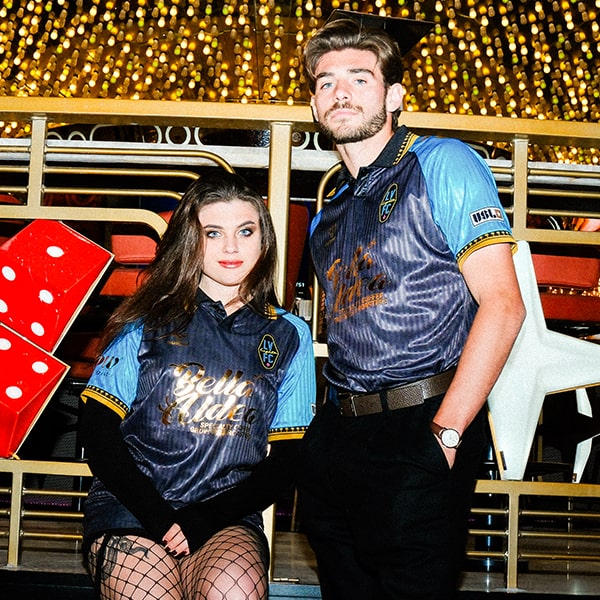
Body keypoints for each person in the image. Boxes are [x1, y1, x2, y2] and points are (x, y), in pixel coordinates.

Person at [298, 12, 526, 600]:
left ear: (395, 96)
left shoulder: (442, 161)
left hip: (422, 422)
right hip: (338, 436)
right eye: (326, 82)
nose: (341, 92)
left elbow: (504, 306)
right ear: (314, 105)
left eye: (359, 78)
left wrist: (446, 434)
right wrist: (320, 447)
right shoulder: (326, 216)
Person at [79, 172, 316, 600]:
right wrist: (158, 517)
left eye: (245, 231)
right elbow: (97, 434)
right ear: (191, 240)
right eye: (213, 233)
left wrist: (205, 518)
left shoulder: (289, 334)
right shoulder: (145, 320)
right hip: (132, 508)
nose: (231, 247)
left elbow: (288, 460)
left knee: (235, 591)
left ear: (264, 241)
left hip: (224, 515)